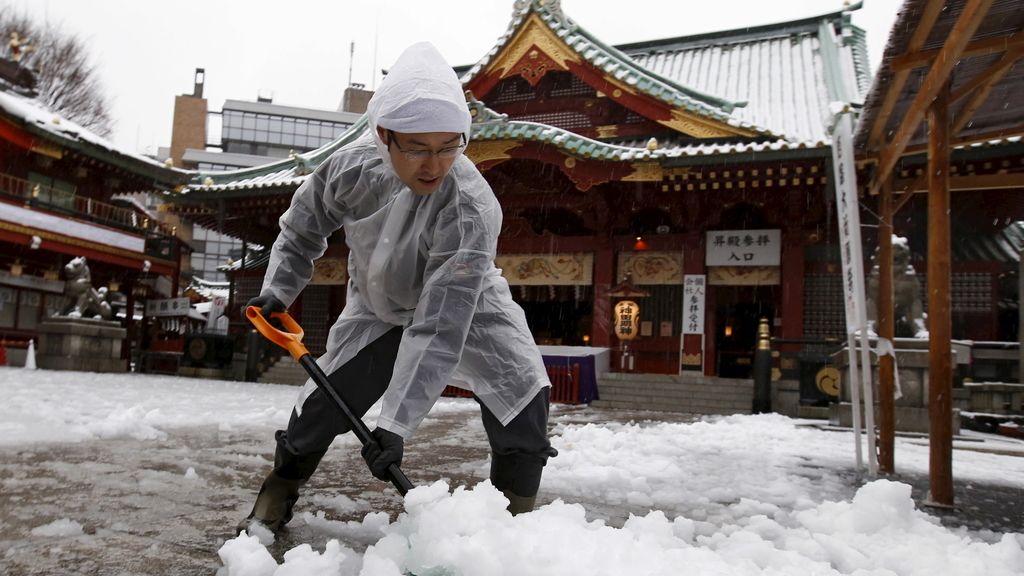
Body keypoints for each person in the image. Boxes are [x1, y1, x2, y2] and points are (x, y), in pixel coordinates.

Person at [237, 42, 556, 534]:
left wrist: (396, 425)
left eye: (450, 146)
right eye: (418, 148)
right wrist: (278, 290)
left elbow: (438, 323)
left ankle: (509, 531)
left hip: (471, 308)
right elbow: (302, 229)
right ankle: (274, 498)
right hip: (377, 309)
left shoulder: (470, 206)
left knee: (523, 405)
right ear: (383, 135)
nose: (434, 165)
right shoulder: (348, 169)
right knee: (320, 409)